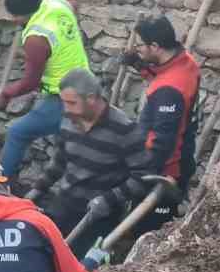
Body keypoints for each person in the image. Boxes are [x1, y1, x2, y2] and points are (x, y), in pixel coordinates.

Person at [24, 68, 151, 258]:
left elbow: (142, 177)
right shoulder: (68, 120)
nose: (66, 109)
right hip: (64, 203)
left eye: (71, 103)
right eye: (64, 102)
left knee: (78, 264)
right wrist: (36, 191)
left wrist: (108, 199)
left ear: (91, 98)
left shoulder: (124, 130)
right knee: (40, 252)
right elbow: (59, 161)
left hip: (98, 216)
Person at [0, 0, 90, 180]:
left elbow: (30, 83)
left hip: (66, 100)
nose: (14, 21)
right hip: (86, 85)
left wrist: (6, 93)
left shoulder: (36, 38)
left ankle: (0, 185)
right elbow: (73, 4)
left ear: (21, 14)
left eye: (14, 16)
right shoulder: (59, 5)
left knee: (17, 132)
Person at [125, 16, 201, 236]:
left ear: (155, 46)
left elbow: (163, 142)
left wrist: (142, 175)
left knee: (147, 231)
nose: (137, 48)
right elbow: (164, 74)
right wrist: (141, 65)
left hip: (163, 174)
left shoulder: (169, 90)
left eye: (140, 45)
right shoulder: (186, 62)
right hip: (181, 158)